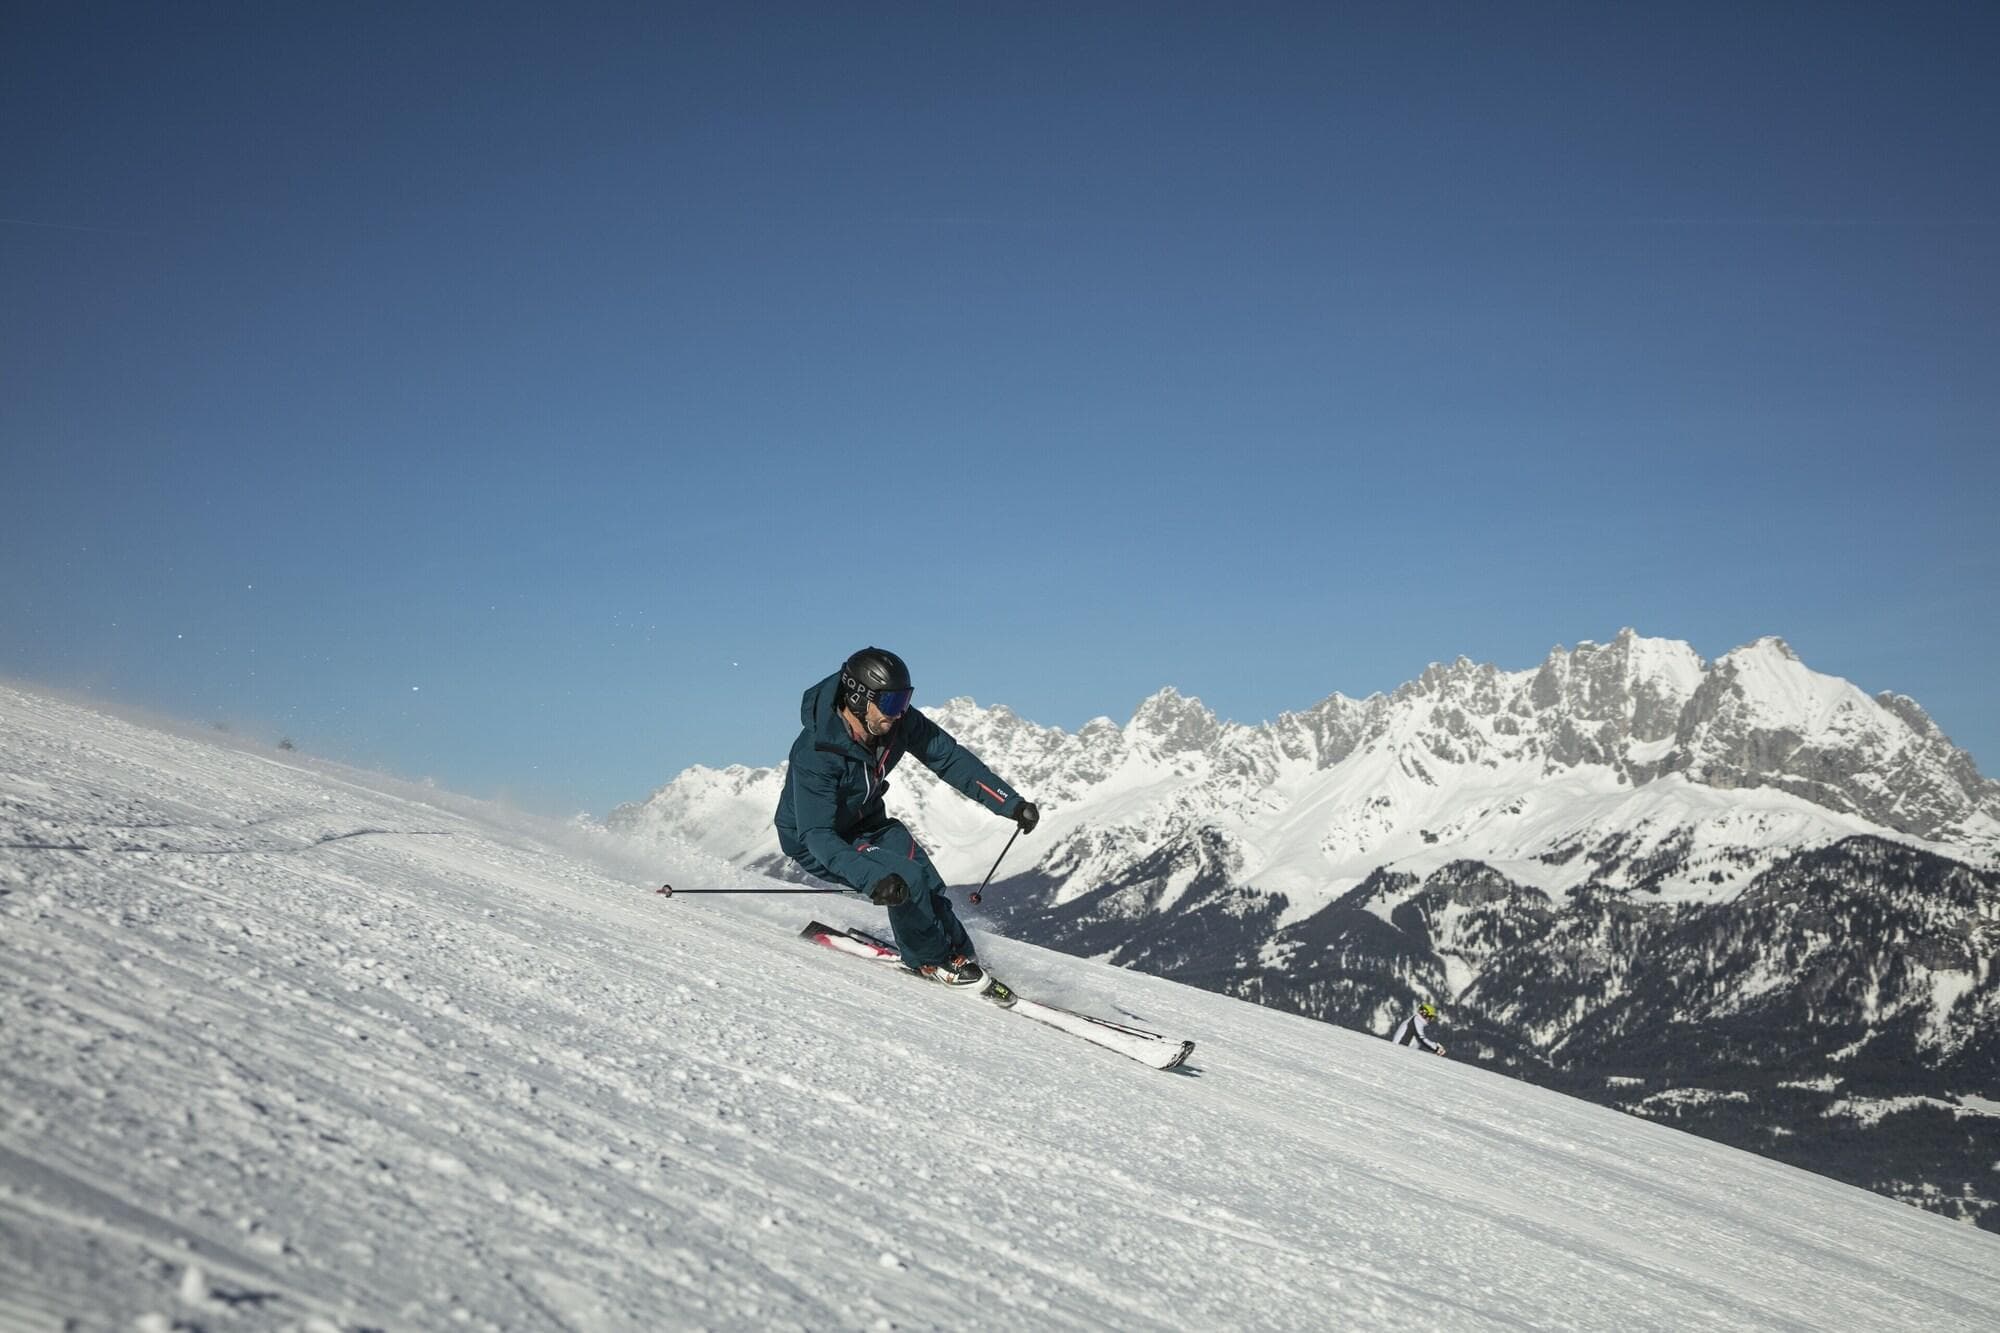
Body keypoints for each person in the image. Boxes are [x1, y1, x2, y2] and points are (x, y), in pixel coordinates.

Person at [774, 646, 1039, 988]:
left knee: (926, 880)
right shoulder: (816, 752)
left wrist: (1011, 804)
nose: (898, 713)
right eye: (890, 703)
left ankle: (963, 957)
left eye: (903, 701)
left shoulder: (896, 724)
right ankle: (930, 961)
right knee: (905, 879)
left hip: (866, 823)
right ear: (858, 697)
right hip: (819, 839)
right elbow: (818, 835)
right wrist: (874, 878)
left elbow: (949, 758)